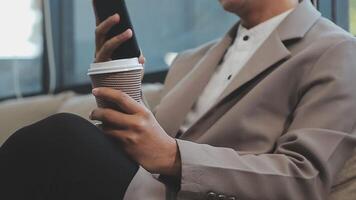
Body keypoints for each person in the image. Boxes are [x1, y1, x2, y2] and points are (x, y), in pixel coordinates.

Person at [1, 0, 356, 199]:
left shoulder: (336, 51)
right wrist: (115, 75)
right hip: (142, 189)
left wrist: (173, 156)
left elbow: (305, 177)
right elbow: (141, 146)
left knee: (61, 137)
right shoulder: (190, 60)